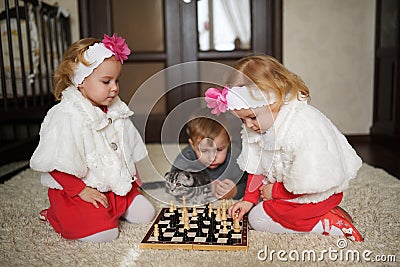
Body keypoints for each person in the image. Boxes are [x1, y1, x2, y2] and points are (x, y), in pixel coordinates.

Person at [205, 55, 364, 241]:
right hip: (286, 190)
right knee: (255, 209)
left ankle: (324, 223)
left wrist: (276, 192)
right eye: (242, 119)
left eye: (252, 117)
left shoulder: (302, 125)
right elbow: (257, 167)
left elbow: (309, 179)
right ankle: (316, 214)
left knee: (258, 219)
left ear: (275, 98)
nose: (248, 125)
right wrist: (248, 199)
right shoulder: (259, 125)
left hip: (317, 191)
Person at [30, 33, 156, 242]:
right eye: (106, 81)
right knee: (105, 234)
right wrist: (80, 190)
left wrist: (132, 176)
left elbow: (125, 147)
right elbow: (55, 161)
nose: (115, 88)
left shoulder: (116, 111)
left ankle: (112, 209)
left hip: (114, 185)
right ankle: (55, 215)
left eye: (117, 80)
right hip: (78, 191)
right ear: (79, 81)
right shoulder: (66, 115)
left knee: (146, 213)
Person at [170, 108, 248, 200]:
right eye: (204, 151)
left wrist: (235, 191)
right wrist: (206, 186)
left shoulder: (237, 157)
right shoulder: (186, 158)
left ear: (228, 142)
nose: (212, 158)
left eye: (219, 149)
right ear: (193, 145)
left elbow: (249, 184)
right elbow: (173, 184)